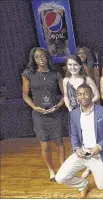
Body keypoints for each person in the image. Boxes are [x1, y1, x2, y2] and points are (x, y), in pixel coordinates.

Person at [55, 83, 103, 198]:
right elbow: (73, 134)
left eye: (85, 94)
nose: (82, 97)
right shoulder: (74, 114)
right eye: (79, 94)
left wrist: (99, 146)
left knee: (101, 186)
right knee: (60, 178)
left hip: (99, 154)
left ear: (92, 95)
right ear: (76, 97)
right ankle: (83, 185)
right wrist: (76, 148)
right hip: (82, 153)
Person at [21, 47, 65, 182]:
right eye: (37, 57)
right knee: (45, 145)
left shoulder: (55, 73)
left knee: (59, 142)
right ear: (33, 59)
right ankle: (51, 170)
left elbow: (65, 95)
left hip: (54, 113)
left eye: (43, 56)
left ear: (47, 57)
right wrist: (35, 107)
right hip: (39, 115)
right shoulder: (28, 74)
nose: (41, 58)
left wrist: (57, 106)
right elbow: (25, 95)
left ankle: (63, 170)